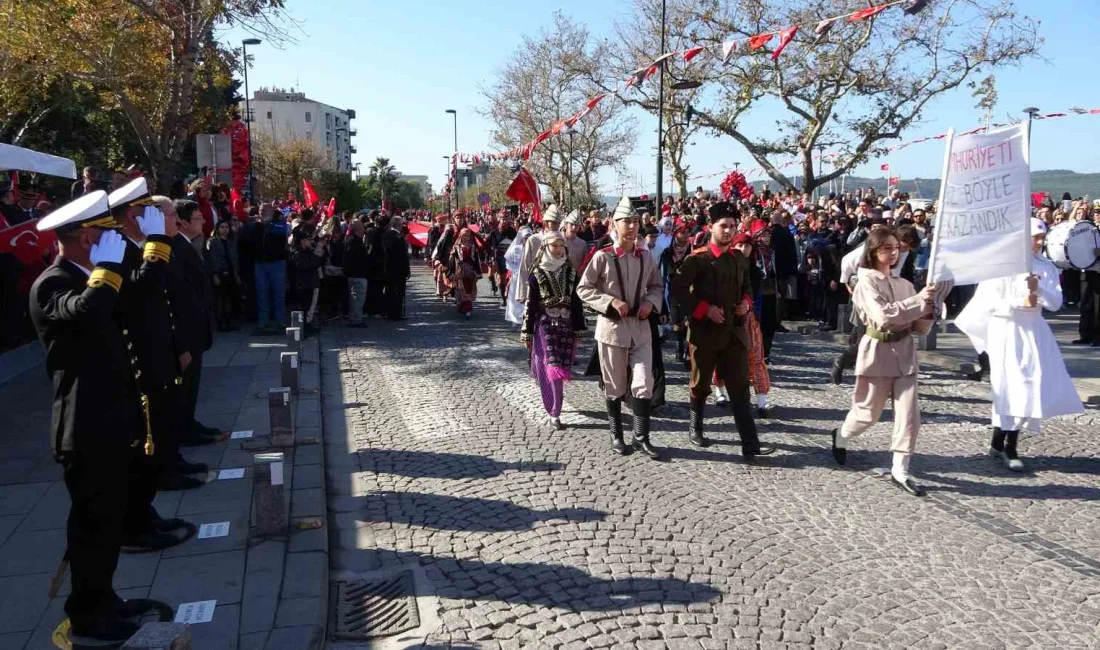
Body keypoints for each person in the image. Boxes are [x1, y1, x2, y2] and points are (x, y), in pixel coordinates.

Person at [29, 191, 170, 644]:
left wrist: (155, 246)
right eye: (102, 236)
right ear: (86, 238)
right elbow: (84, 314)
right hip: (86, 428)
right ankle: (88, 615)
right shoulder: (52, 283)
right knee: (92, 528)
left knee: (107, 526)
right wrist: (106, 273)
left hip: (112, 420)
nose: (107, 245)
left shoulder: (95, 277)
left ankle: (105, 599)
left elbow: (139, 298)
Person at [955, 218, 1085, 471]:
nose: (1039, 241)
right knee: (1013, 385)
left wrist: (1038, 291)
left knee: (1033, 384)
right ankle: (1007, 445)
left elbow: (1056, 302)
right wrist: (1016, 303)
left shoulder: (1044, 267)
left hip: (1035, 330)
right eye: (1035, 237)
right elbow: (987, 303)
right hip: (1007, 329)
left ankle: (1002, 443)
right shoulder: (1002, 266)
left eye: (1041, 237)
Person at [831, 227, 936, 497]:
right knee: (867, 414)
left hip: (905, 353)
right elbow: (883, 317)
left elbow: (919, 328)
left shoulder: (904, 284)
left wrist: (931, 307)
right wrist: (916, 301)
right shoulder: (865, 282)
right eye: (886, 248)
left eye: (896, 248)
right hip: (877, 351)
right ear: (874, 252)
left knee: (909, 414)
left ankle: (900, 470)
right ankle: (841, 435)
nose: (893, 253)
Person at [670, 205, 773, 460]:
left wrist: (746, 303)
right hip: (704, 335)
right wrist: (704, 309)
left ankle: (751, 444)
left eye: (731, 226)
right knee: (701, 384)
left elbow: (747, 286)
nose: (727, 231)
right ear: (711, 228)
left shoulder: (738, 259)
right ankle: (696, 426)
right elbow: (678, 291)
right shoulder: (697, 259)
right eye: (722, 226)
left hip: (733, 335)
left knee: (739, 387)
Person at [576, 196, 663, 460]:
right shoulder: (602, 257)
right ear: (615, 224)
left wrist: (650, 302)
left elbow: (657, 287)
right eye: (627, 221)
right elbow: (583, 289)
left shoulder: (645, 258)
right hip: (612, 331)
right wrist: (609, 301)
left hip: (641, 330)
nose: (633, 226)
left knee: (644, 382)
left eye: (636, 221)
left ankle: (641, 437)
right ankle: (616, 434)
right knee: (615, 385)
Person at [521, 230, 586, 429]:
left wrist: (579, 328)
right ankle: (555, 413)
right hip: (545, 325)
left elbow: (576, 303)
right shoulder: (537, 273)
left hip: (566, 326)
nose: (558, 250)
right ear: (545, 247)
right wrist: (527, 331)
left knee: (562, 368)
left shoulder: (571, 272)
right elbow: (531, 305)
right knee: (553, 367)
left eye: (560, 246)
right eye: (554, 246)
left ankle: (556, 406)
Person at [659, 224, 693, 367]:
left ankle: (687, 350)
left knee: (689, 322)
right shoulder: (667, 253)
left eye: (687, 232)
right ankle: (679, 346)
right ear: (675, 234)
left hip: (691, 292)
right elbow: (662, 274)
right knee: (677, 322)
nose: (685, 235)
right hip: (672, 292)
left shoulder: (693, 251)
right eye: (682, 232)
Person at [516, 205, 561, 303]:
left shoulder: (562, 241)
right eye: (553, 223)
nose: (556, 226)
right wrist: (522, 293)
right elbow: (525, 265)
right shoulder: (534, 240)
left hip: (557, 288)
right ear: (545, 223)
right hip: (537, 285)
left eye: (558, 223)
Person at [206, 219, 241, 331]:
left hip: (231, 272)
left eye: (226, 227)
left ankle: (229, 321)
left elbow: (235, 258)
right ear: (217, 229)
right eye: (222, 227)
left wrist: (236, 274)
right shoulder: (213, 241)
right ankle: (221, 322)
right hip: (220, 272)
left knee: (230, 297)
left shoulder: (232, 241)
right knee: (221, 298)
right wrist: (214, 274)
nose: (225, 229)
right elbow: (212, 259)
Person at [449, 227, 483, 319]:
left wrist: (478, 272)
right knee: (460, 290)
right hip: (460, 271)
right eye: (464, 235)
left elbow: (476, 260)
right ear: (460, 235)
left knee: (468, 290)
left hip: (470, 271)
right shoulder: (456, 247)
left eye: (468, 235)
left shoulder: (473, 247)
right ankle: (462, 306)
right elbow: (452, 261)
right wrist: (451, 272)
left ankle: (467, 309)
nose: (466, 237)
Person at [504, 224, 533, 327]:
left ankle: (527, 318)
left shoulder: (534, 249)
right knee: (515, 298)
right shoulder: (516, 249)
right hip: (517, 278)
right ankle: (515, 319)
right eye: (525, 238)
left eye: (529, 237)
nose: (527, 240)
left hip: (529, 277)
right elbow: (508, 262)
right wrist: (516, 271)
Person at [382, 215, 411, 320]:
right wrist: (407, 271)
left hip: (388, 269)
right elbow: (403, 257)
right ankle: (396, 314)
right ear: (400, 225)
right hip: (398, 271)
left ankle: (390, 312)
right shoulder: (399, 238)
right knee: (398, 293)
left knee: (389, 291)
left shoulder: (386, 235)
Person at [343, 220, 370, 327]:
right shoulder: (356, 242)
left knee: (354, 298)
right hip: (358, 274)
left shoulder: (349, 240)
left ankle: (354, 318)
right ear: (359, 229)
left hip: (352, 273)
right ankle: (356, 320)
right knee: (358, 298)